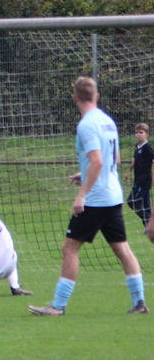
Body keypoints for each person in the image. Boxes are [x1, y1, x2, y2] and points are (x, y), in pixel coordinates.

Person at [29, 76, 148, 315]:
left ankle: (57, 307)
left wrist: (82, 194)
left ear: (74, 97)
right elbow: (113, 160)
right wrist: (84, 174)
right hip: (113, 195)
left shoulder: (86, 125)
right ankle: (139, 303)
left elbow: (98, 162)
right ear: (97, 96)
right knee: (122, 248)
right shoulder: (108, 121)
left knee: (69, 248)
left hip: (95, 199)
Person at [124, 123, 154, 230]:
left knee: (132, 201)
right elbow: (135, 160)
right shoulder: (137, 147)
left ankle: (149, 222)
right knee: (146, 206)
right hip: (137, 179)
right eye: (136, 132)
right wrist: (129, 171)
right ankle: (150, 229)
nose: (138, 134)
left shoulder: (147, 148)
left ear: (147, 134)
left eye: (141, 132)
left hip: (144, 181)